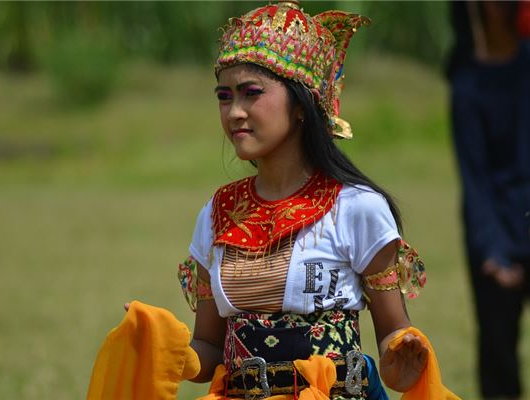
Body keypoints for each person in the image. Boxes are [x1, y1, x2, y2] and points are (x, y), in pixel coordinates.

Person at [88, 2, 458, 399]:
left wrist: (401, 357)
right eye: (224, 96)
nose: (235, 112)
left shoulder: (355, 208)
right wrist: (169, 349)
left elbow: (393, 333)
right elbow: (209, 347)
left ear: (301, 104)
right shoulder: (217, 214)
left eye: (252, 93)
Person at [447, 2, 530, 399]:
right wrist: (494, 251)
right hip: (495, 233)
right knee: (498, 356)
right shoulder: (468, 84)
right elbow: (474, 180)